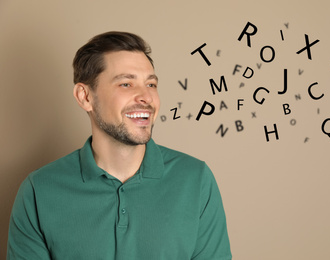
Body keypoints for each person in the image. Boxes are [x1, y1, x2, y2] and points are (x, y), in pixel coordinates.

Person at [7, 31, 232, 260]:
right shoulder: (39, 191)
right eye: (126, 84)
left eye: (151, 84)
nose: (146, 96)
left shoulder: (196, 180)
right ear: (85, 97)